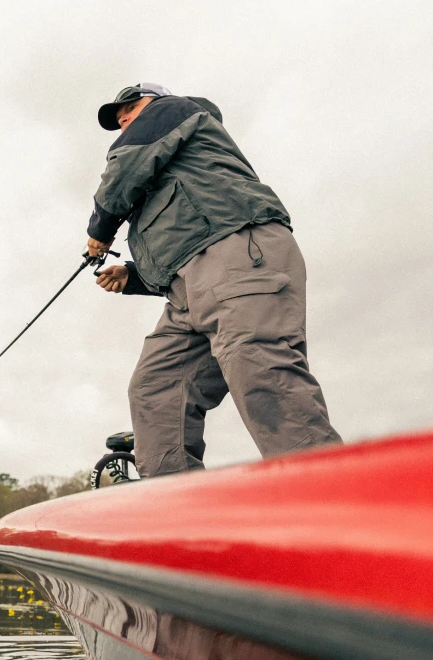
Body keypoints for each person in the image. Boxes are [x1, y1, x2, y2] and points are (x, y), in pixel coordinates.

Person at [87, 83, 341, 478]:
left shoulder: (173, 111)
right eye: (118, 118)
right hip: (190, 291)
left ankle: (329, 500)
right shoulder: (169, 163)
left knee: (259, 369)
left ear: (153, 101)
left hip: (240, 252)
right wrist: (133, 275)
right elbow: (185, 238)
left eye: (129, 107)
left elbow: (124, 171)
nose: (123, 119)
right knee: (155, 387)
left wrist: (100, 231)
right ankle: (175, 518)